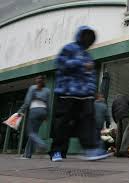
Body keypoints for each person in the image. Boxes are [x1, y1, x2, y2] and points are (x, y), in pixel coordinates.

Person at [50, 26, 111, 162]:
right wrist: (81, 64)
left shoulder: (88, 55)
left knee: (88, 123)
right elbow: (60, 64)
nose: (89, 40)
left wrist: (92, 92)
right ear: (80, 36)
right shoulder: (69, 49)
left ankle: (91, 150)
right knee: (63, 124)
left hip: (85, 97)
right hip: (67, 94)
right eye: (87, 36)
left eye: (91, 38)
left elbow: (91, 76)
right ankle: (57, 152)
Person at [18, 75, 50, 159]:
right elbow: (48, 104)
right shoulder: (47, 90)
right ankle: (27, 154)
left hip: (34, 111)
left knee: (30, 133)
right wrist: (47, 115)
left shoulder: (32, 88)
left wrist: (20, 111)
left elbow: (27, 102)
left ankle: (41, 144)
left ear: (36, 80)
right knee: (33, 133)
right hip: (43, 111)